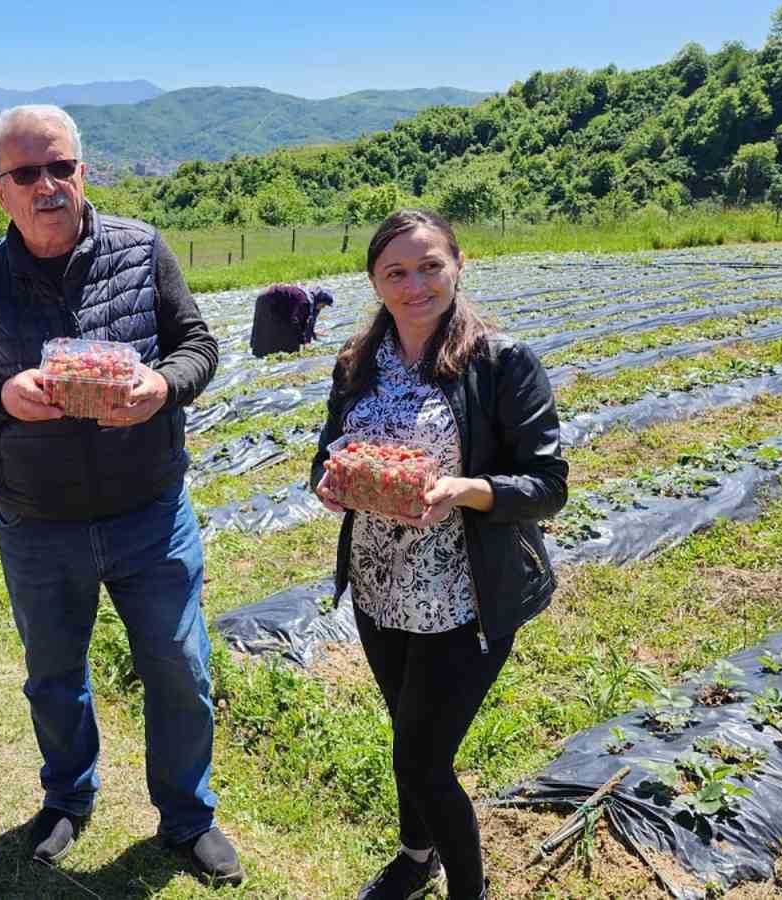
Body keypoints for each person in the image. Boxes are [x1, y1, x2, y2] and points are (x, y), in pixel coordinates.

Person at [0, 104, 243, 885]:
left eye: (59, 167)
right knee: (54, 672)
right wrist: (3, 396)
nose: (46, 185)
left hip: (149, 513)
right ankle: (68, 797)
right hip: (37, 522)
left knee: (179, 665)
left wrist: (161, 385)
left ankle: (187, 815)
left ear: (81, 173)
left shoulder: (142, 250)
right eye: (26, 173)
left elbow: (198, 344)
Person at [310, 209, 567, 900]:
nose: (415, 283)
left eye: (430, 266)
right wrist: (330, 486)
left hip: (464, 598)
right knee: (407, 738)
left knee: (424, 761)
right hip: (379, 590)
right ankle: (415, 854)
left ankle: (467, 890)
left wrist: (464, 490)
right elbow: (326, 454)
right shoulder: (357, 362)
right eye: (396, 271)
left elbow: (548, 486)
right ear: (374, 281)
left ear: (457, 265)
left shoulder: (501, 362)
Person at [249, 283, 334, 357]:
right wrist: (304, 342)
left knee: (289, 336)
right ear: (319, 300)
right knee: (277, 335)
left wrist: (312, 334)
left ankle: (275, 353)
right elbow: (295, 321)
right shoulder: (304, 301)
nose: (323, 307)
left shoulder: (311, 303)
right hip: (268, 298)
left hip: (277, 302)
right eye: (323, 304)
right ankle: (263, 354)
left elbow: (307, 322)